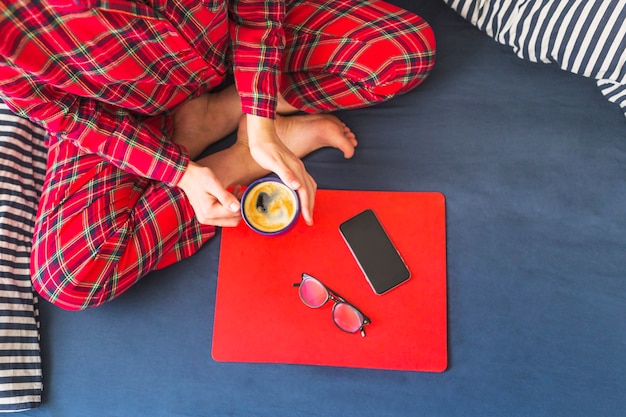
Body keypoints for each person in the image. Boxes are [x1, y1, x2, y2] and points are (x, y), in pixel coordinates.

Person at [0, 0, 435, 310]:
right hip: (122, 113)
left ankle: (224, 113)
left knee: (400, 51)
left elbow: (257, 9)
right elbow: (64, 114)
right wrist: (183, 172)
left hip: (232, 47)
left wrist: (257, 111)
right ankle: (234, 151)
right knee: (69, 275)